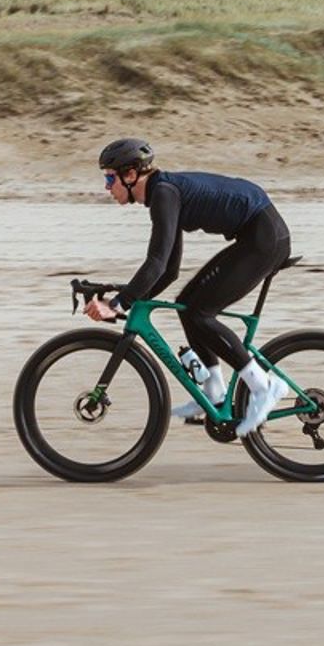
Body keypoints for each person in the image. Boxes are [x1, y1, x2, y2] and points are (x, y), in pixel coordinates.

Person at [85, 138, 292, 437]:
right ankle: (215, 391)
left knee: (201, 312)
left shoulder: (164, 193)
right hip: (256, 235)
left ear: (131, 175)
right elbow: (169, 271)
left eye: (109, 178)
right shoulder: (163, 193)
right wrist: (127, 294)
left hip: (264, 240)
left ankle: (265, 386)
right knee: (188, 304)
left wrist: (119, 303)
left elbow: (155, 263)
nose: (107, 187)